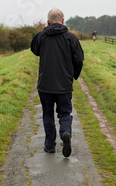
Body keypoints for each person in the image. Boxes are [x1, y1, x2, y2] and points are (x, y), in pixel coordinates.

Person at [31, 9, 84, 157]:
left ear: (47, 21)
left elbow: (34, 49)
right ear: (63, 20)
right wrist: (73, 75)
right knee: (64, 113)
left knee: (47, 114)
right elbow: (79, 59)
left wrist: (45, 30)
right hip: (64, 84)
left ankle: (50, 145)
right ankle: (65, 133)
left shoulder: (41, 36)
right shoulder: (71, 38)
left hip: (45, 85)